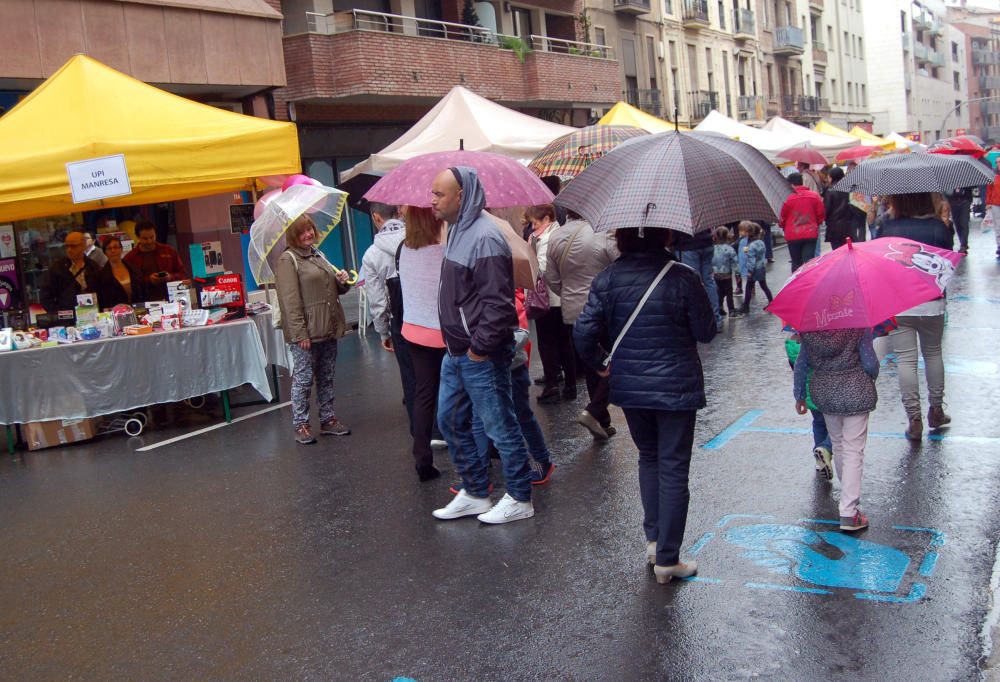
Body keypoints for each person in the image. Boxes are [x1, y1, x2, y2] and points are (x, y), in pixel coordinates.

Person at [574, 227, 716, 584]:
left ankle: (654, 542)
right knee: (672, 466)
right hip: (676, 387)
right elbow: (706, 331)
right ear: (665, 235)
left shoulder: (607, 279)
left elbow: (583, 332)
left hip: (631, 386)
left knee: (648, 457)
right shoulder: (683, 277)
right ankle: (668, 558)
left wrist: (599, 362)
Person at [430, 167, 535, 525]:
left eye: (439, 194)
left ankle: (520, 497)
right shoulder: (457, 229)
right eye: (433, 193)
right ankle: (475, 492)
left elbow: (498, 303)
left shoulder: (486, 236)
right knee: (450, 420)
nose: (433, 200)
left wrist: (479, 348)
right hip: (458, 350)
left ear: (461, 196)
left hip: (479, 352)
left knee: (500, 425)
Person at [878, 192, 954, 441]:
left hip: (900, 302)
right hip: (932, 302)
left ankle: (914, 419)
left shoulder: (887, 226)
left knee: (905, 360)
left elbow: (878, 261)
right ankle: (936, 410)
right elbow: (946, 261)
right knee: (933, 354)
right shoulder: (938, 227)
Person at [275, 214, 352, 445]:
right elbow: (289, 300)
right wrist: (300, 334)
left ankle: (328, 419)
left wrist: (342, 281)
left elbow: (333, 288)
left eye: (309, 229)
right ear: (293, 236)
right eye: (302, 232)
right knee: (304, 378)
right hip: (307, 331)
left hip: (327, 326)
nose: (308, 234)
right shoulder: (288, 260)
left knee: (326, 376)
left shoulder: (318, 254)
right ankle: (301, 424)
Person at [794, 328, 879, 531]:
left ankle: (848, 503)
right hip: (856, 390)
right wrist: (873, 373)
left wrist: (799, 395)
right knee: (853, 449)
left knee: (839, 445)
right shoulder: (858, 324)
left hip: (825, 392)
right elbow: (869, 362)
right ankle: (849, 510)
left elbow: (801, 364)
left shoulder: (811, 327)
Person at [545, 212, 620, 440]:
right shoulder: (602, 233)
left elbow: (552, 278)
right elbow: (619, 264)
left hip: (573, 310)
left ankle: (603, 419)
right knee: (615, 360)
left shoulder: (556, 237)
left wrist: (569, 295)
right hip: (605, 308)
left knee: (592, 363)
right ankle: (594, 411)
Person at [397, 205, 446, 482]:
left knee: (423, 395)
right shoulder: (443, 252)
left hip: (414, 330)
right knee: (461, 392)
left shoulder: (404, 250)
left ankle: (422, 457)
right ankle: (478, 452)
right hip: (442, 332)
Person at [359, 202, 414, 428]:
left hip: (399, 319)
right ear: (397, 212)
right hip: (425, 315)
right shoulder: (416, 240)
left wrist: (383, 331)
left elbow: (378, 299)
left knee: (410, 374)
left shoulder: (372, 254)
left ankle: (423, 430)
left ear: (376, 217)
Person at [526, 204, 576, 403]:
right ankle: (570, 385)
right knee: (564, 341)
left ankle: (552, 385)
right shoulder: (556, 233)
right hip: (559, 297)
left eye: (534, 222)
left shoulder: (546, 238)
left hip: (547, 297)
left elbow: (542, 269)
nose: (532, 227)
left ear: (547, 218)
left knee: (547, 342)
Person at [785, 330, 833, 479]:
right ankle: (825, 448)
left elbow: (799, 370)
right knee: (839, 427)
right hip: (830, 392)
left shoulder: (793, 346)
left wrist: (800, 397)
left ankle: (820, 459)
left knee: (819, 423)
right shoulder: (823, 341)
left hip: (811, 395)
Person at [122, 219, 188, 301]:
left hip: (171, 298)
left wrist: (170, 277)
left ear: (156, 234)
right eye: (145, 239)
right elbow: (130, 284)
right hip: (144, 301)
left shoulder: (169, 251)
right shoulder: (130, 258)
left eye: (152, 237)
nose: (149, 241)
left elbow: (183, 274)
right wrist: (149, 280)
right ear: (138, 237)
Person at [675, 229, 723, 331]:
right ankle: (716, 319)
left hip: (689, 246)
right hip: (707, 243)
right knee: (708, 281)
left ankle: (702, 321)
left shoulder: (678, 216)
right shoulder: (698, 213)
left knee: (694, 283)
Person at [42, 231, 100, 314]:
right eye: (67, 246)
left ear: (83, 246)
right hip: (67, 318)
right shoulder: (57, 268)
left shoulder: (93, 267)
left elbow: (102, 292)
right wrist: (59, 313)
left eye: (73, 246)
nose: (69, 250)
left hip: (92, 315)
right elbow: (45, 296)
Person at [779, 172, 825, 272]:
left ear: (791, 184)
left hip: (792, 234)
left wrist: (783, 226)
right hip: (811, 232)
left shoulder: (787, 198)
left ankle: (796, 284)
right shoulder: (814, 196)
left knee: (796, 262)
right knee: (808, 262)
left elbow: (782, 217)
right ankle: (809, 283)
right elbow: (821, 214)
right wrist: (816, 223)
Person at [95, 236, 145, 308]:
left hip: (137, 309)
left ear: (121, 249)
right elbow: (102, 300)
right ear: (105, 252)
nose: (113, 250)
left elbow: (142, 291)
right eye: (109, 248)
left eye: (116, 247)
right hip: (115, 313)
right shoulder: (100, 275)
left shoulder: (134, 269)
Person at [740, 222, 773, 314]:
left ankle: (746, 306)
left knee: (748, 287)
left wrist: (750, 271)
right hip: (761, 268)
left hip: (754, 270)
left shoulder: (751, 246)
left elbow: (751, 260)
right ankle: (771, 302)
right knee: (764, 286)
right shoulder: (761, 243)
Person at [823, 167, 854, 250]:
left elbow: (826, 209)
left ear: (832, 177)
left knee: (837, 251)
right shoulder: (849, 189)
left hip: (834, 226)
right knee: (849, 249)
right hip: (849, 225)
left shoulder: (830, 191)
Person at [711, 226, 739, 317]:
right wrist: (738, 273)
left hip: (716, 275)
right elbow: (735, 262)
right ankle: (731, 310)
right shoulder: (729, 249)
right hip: (727, 275)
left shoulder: (712, 249)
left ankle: (720, 307)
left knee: (719, 293)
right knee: (729, 293)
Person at [945, 187, 973, 254]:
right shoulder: (948, 180)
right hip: (953, 202)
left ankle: (963, 244)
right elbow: (946, 192)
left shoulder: (966, 178)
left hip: (965, 201)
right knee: (957, 224)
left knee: (964, 223)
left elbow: (971, 187)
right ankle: (962, 242)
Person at [987, 163, 1000, 259]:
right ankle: (999, 245)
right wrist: (988, 203)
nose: (999, 164)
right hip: (996, 203)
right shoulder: (993, 175)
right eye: (997, 162)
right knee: (998, 226)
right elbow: (989, 190)